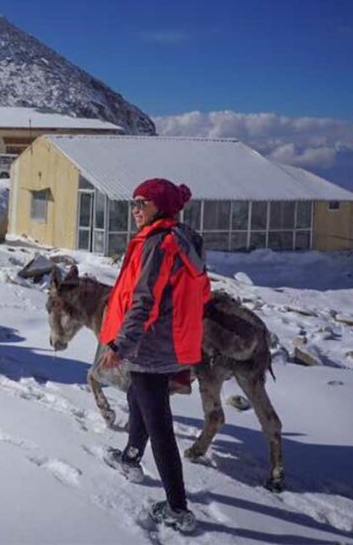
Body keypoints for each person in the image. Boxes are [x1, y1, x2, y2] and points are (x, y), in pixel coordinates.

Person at [97, 178, 210, 534]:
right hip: (169, 341)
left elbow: (143, 300)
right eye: (133, 203)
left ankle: (178, 507)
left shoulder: (159, 244)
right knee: (139, 399)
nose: (135, 210)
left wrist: (120, 345)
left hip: (150, 345)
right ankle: (131, 457)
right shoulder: (182, 238)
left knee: (159, 423)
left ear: (159, 207)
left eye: (141, 203)